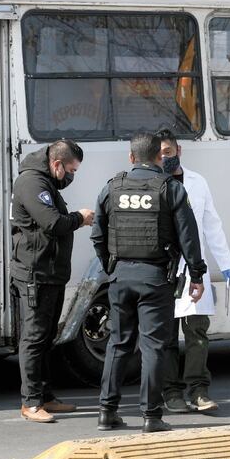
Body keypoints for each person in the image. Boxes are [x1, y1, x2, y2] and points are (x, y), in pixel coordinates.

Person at [91, 132, 207, 433]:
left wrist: (112, 267)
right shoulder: (171, 189)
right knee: (153, 347)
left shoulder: (111, 187)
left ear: (131, 158)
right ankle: (152, 417)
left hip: (120, 277)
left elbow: (98, 235)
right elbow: (188, 237)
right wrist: (197, 274)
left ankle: (107, 412)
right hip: (155, 279)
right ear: (161, 157)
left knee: (118, 343)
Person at [10, 139, 94, 423]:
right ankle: (31, 402)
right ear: (56, 163)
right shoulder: (32, 183)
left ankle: (45, 396)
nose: (71, 176)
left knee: (46, 338)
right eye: (70, 169)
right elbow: (52, 223)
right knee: (34, 338)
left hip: (51, 272)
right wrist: (79, 218)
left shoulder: (46, 180)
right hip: (36, 273)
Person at [157, 128, 230, 414]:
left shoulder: (197, 182)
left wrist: (226, 262)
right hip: (164, 271)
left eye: (168, 152)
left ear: (179, 151)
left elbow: (211, 224)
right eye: (160, 153)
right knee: (166, 336)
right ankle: (171, 392)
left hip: (194, 271)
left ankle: (198, 390)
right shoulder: (153, 183)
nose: (164, 157)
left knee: (197, 333)